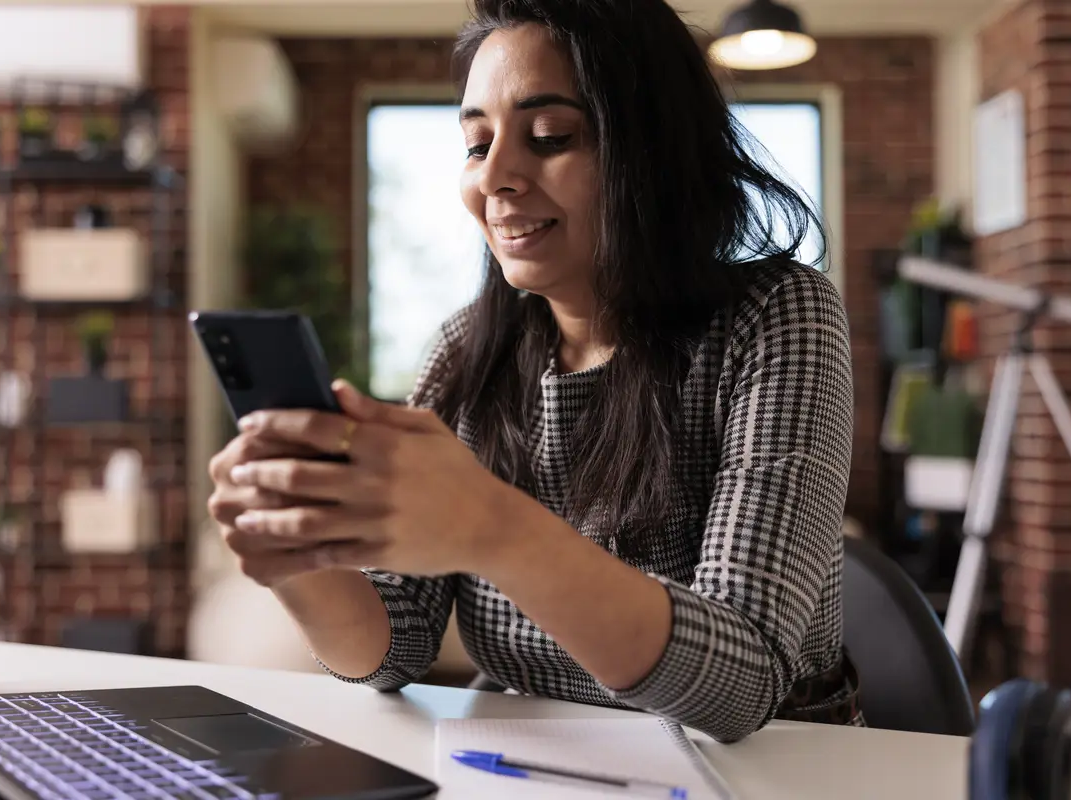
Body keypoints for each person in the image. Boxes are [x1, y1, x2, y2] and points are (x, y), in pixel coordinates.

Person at [208, 0, 856, 744]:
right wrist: (297, 555)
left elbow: (742, 686)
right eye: (477, 143)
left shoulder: (776, 314)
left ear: (653, 149)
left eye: (551, 136)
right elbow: (395, 646)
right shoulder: (468, 349)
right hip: (545, 759)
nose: (496, 179)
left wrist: (491, 527)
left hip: (772, 769)